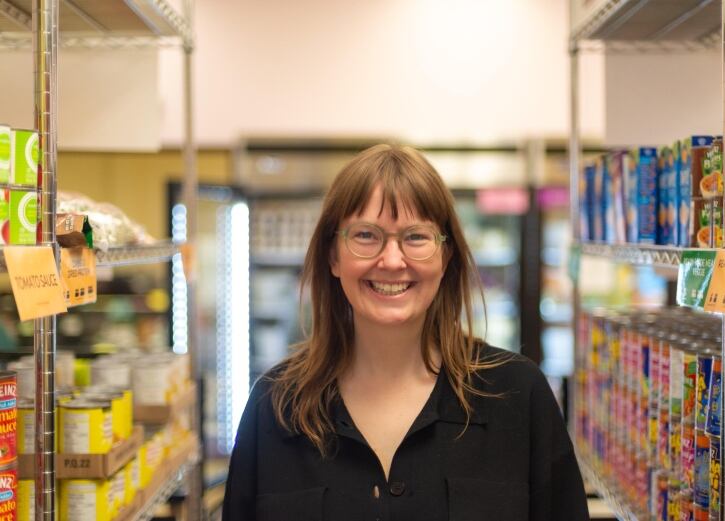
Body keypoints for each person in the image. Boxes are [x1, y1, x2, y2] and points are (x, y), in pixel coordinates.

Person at [223, 144, 589, 520]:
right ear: (333, 256)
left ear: (445, 257)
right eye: (366, 235)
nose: (393, 261)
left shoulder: (517, 394)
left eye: (415, 237)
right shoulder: (275, 406)